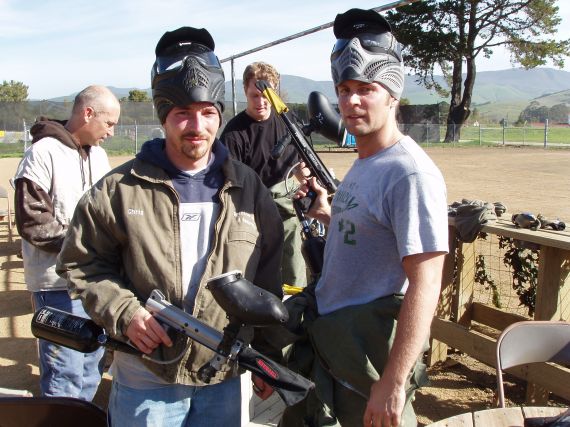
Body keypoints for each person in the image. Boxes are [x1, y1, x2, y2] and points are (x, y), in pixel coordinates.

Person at [56, 26, 284, 426]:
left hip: (222, 376)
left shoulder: (249, 189)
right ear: (164, 117)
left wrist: (266, 357)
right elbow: (81, 263)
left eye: (208, 113)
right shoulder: (119, 190)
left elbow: (265, 280)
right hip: (147, 377)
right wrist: (126, 313)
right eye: (182, 114)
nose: (197, 126)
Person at [293, 8, 449, 427]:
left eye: (366, 88)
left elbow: (426, 281)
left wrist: (393, 383)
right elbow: (367, 237)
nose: (351, 101)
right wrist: (326, 213)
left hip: (367, 361)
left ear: (392, 94)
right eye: (343, 89)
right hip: (335, 349)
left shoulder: (408, 172)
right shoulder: (366, 161)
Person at [14, 85, 120, 400]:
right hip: (57, 285)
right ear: (88, 113)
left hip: (95, 284)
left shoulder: (99, 155)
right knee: (65, 375)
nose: (112, 132)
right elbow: (34, 223)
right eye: (109, 123)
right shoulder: (42, 152)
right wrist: (87, 250)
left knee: (91, 366)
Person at [220, 62, 308, 288]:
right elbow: (232, 186)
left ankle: (295, 306)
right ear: (245, 91)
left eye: (265, 95)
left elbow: (304, 164)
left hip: (289, 209)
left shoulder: (289, 123)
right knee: (258, 277)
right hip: (251, 211)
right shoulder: (234, 133)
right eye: (254, 95)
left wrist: (304, 173)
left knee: (294, 269)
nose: (260, 102)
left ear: (275, 91)